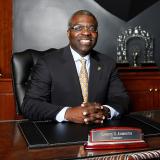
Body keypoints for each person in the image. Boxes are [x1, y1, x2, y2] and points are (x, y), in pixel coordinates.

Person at [21, 10, 129, 124]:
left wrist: (105, 111)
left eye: (92, 28)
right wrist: (68, 113)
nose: (86, 33)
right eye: (78, 28)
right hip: (60, 134)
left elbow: (121, 99)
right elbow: (30, 105)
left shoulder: (107, 63)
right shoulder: (48, 63)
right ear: (68, 33)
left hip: (98, 133)